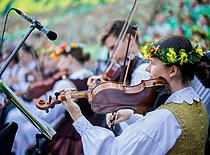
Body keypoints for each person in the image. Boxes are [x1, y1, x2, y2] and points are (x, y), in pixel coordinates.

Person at [61, 35, 208, 154]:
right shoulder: (196, 102)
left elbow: (113, 151)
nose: (147, 69)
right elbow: (160, 137)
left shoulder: (165, 118)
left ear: (173, 71)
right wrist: (131, 117)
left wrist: (78, 117)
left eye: (153, 63)